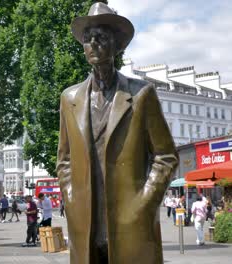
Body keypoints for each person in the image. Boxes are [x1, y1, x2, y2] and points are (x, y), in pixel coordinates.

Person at [56, 3, 178, 263]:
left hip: (130, 223)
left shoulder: (142, 94)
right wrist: (71, 199)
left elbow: (166, 156)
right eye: (88, 39)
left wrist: (144, 204)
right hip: (86, 225)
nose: (93, 44)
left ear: (117, 45)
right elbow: (64, 160)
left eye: (100, 37)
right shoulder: (70, 98)